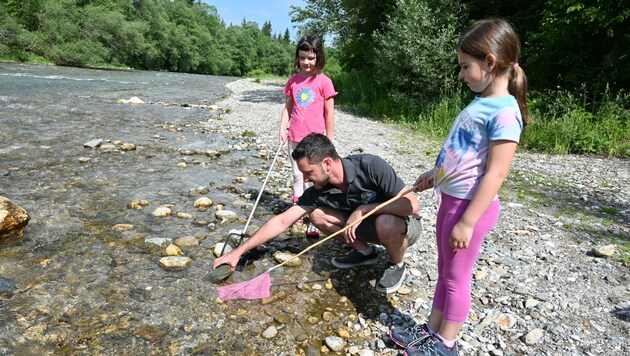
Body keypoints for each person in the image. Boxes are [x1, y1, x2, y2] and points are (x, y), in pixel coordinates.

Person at [389, 18, 529, 355]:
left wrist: (467, 221)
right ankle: (432, 331)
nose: (462, 73)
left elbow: (495, 174)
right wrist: (433, 176)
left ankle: (446, 343)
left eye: (466, 66)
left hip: (470, 208)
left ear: (490, 62)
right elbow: (460, 155)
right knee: (445, 271)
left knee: (456, 278)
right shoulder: (481, 102)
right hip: (452, 201)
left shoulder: (506, 113)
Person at [213, 133, 422, 294]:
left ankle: (396, 264)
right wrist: (238, 252)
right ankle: (365, 253)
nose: (304, 180)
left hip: (400, 225)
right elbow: (282, 221)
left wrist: (364, 209)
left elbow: (412, 205)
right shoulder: (318, 190)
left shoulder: (370, 166)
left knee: (385, 222)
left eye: (308, 173)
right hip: (363, 227)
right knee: (316, 215)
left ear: (327, 164)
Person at [279, 35, 337, 238]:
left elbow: (329, 113)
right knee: (297, 175)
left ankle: (314, 215)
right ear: (297, 57)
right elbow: (288, 109)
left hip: (315, 142)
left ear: (318, 58)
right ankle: (299, 208)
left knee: (315, 178)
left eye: (311, 58)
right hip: (295, 137)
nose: (306, 62)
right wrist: (282, 128)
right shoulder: (293, 81)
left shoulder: (324, 82)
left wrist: (329, 139)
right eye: (302, 58)